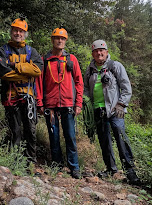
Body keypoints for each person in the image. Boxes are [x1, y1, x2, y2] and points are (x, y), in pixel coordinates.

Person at [83, 39, 141, 185]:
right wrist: (86, 101)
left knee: (120, 137)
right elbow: (85, 88)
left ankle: (130, 171)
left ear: (107, 52)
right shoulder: (90, 69)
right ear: (93, 53)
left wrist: (121, 104)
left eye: (102, 50)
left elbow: (126, 87)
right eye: (96, 51)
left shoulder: (115, 66)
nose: (99, 53)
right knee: (104, 140)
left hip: (116, 109)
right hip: (98, 109)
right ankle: (111, 169)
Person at [36, 27, 83, 179]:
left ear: (65, 41)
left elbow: (79, 82)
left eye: (63, 39)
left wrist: (78, 103)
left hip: (68, 104)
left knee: (70, 136)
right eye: (57, 38)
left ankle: (74, 167)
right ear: (52, 40)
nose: (60, 41)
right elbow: (39, 83)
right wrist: (40, 103)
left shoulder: (71, 59)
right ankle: (57, 165)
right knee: (53, 137)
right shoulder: (45, 59)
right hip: (50, 104)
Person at [0, 18, 43, 164]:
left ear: (25, 33)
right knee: (15, 132)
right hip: (11, 97)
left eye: (21, 31)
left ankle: (30, 163)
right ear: (11, 32)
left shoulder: (31, 51)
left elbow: (38, 70)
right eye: (15, 30)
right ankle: (15, 162)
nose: (18, 33)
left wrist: (15, 65)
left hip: (28, 98)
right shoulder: (2, 51)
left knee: (31, 131)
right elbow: (4, 73)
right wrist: (26, 70)